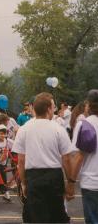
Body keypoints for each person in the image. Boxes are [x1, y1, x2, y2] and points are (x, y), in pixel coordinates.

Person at [12, 92, 74, 223]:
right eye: (53, 107)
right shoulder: (58, 129)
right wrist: (70, 183)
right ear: (48, 109)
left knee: (36, 218)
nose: (54, 109)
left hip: (34, 177)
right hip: (54, 177)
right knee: (57, 216)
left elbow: (21, 161)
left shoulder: (24, 129)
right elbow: (67, 159)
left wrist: (24, 183)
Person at [68, 90, 98, 223]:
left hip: (91, 183)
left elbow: (78, 157)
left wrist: (71, 183)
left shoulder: (84, 125)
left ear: (88, 105)